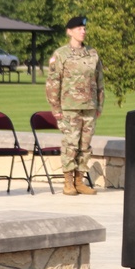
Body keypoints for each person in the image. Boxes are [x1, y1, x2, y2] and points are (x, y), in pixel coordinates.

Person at [45, 16, 104, 196]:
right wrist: (55, 108)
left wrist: (99, 105)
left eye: (84, 28)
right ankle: (68, 181)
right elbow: (53, 83)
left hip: (89, 107)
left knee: (85, 145)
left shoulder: (92, 54)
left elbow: (99, 81)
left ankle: (80, 180)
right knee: (71, 144)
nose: (83, 31)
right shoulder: (61, 54)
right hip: (69, 107)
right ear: (69, 31)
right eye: (78, 28)